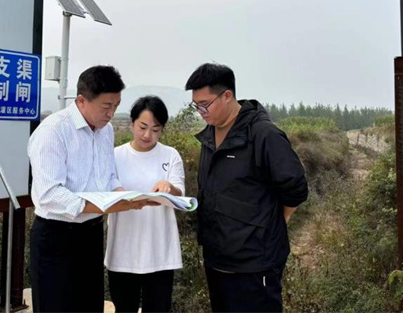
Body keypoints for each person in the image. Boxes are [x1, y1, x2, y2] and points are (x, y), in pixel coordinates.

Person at [185, 63, 308, 313]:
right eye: (196, 105)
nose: (200, 112)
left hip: (255, 266)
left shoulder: (263, 135)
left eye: (205, 104)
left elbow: (296, 187)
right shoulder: (209, 136)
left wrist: (275, 221)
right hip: (217, 261)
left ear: (227, 95)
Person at [28, 65, 150, 313]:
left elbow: (108, 177)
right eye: (106, 106)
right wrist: (105, 206)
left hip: (91, 234)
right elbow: (50, 194)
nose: (111, 113)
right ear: (81, 100)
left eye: (116, 106)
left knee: (90, 306)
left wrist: (125, 196)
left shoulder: (106, 131)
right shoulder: (53, 131)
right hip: (56, 236)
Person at [105, 96, 185, 313]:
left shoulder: (170, 155)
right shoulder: (115, 156)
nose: (147, 135)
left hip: (159, 253)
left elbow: (180, 195)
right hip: (122, 251)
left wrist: (169, 187)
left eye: (155, 129)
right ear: (132, 124)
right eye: (142, 127)